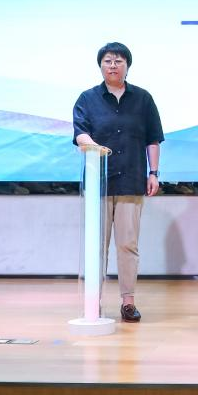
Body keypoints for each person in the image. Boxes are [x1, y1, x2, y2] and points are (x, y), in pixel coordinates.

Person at [72, 42, 164, 323]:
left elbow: (153, 138)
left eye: (118, 60)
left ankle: (128, 302)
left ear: (127, 66)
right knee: (96, 246)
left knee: (127, 245)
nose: (113, 65)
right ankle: (93, 302)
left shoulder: (143, 99)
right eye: (108, 60)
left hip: (131, 181)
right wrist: (93, 146)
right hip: (98, 183)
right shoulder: (87, 98)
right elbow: (80, 134)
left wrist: (154, 172)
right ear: (100, 66)